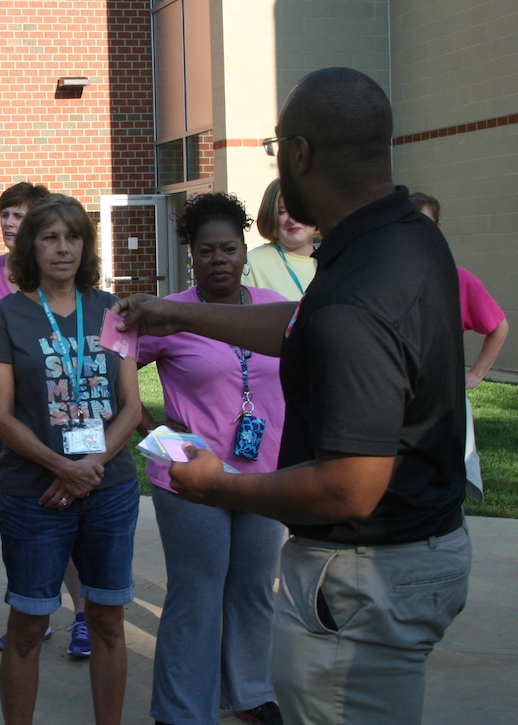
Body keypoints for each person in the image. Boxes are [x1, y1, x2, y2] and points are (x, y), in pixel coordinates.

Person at [115, 67, 471, 725]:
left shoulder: (357, 288)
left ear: (301, 153)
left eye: (279, 149)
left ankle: (244, 693)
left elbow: (348, 487)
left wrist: (220, 485)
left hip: (367, 575)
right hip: (420, 549)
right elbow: (305, 325)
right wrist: (181, 314)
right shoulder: (407, 240)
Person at [0, 193, 142, 725]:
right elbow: (1, 415)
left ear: (86, 245)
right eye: (49, 237)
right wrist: (62, 467)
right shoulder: (6, 316)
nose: (62, 248)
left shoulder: (111, 309)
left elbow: (132, 406)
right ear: (31, 245)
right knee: (26, 628)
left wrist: (85, 468)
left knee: (108, 623)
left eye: (73, 237)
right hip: (35, 494)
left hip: (108, 490)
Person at [136, 192, 285, 725]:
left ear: (245, 251)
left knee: (252, 588)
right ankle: (182, 710)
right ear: (191, 256)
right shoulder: (171, 312)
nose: (219, 258)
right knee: (197, 594)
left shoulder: (273, 306)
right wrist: (149, 425)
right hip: (190, 477)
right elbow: (112, 360)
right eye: (206, 250)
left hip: (263, 473)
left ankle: (249, 692)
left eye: (229, 248)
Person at [0, 181, 90, 656]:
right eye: (5, 213)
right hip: (7, 424)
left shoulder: (64, 279)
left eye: (19, 214)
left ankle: (80, 615)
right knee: (19, 517)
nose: (9, 222)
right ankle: (33, 613)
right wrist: (2, 407)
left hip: (66, 420)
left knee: (73, 512)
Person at [409, 192, 509, 390]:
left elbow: (499, 327)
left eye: (425, 225)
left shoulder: (459, 280)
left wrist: (476, 374)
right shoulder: (386, 280)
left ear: (438, 229)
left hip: (441, 395)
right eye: (410, 226)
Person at [243, 178, 318, 300]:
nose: (292, 220)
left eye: (299, 209)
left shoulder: (336, 262)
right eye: (282, 211)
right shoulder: (251, 265)